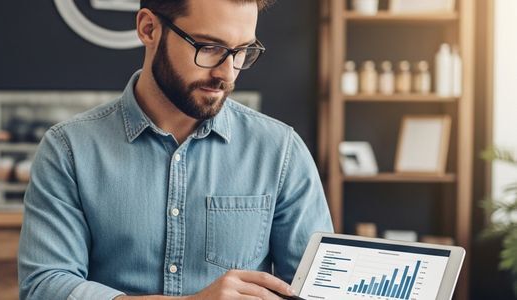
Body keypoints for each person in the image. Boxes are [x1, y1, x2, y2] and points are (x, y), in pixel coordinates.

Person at [18, 0, 333, 299]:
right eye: (209, 48)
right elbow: (44, 287)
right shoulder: (69, 149)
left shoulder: (280, 152)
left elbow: (315, 291)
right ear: (149, 29)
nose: (227, 73)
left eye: (241, 52)